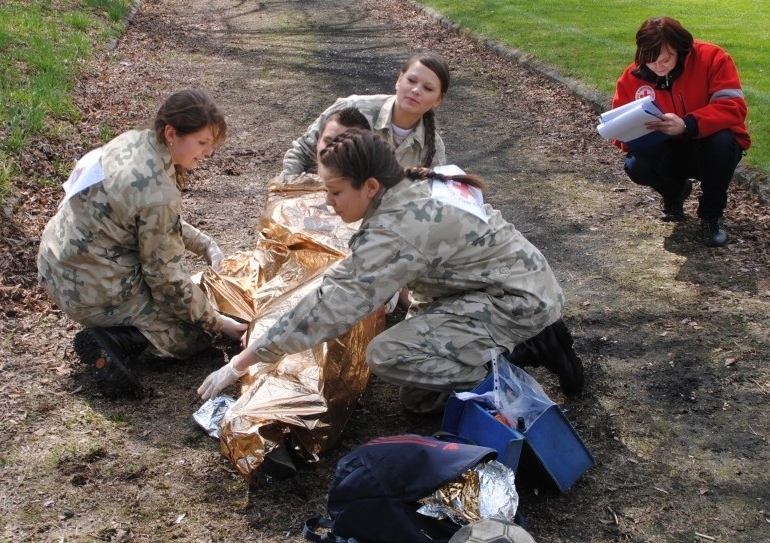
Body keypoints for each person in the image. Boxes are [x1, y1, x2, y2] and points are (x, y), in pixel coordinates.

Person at [199, 130, 582, 413]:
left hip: (516, 299)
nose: (327, 201)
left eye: (334, 192)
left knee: (388, 356)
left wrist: (242, 362)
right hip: (484, 285)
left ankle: (521, 355)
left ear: (369, 186)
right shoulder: (407, 183)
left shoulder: (399, 225)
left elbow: (328, 307)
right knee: (420, 402)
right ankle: (502, 348)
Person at [38, 89, 247, 398]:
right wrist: (216, 323)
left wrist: (204, 244)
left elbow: (147, 222)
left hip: (58, 261)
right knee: (191, 334)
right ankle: (116, 340)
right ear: (172, 133)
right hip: (89, 287)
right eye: (203, 143)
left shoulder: (132, 142)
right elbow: (166, 281)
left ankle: (119, 328)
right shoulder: (157, 193)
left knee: (186, 308)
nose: (207, 154)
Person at [611, 16, 750, 247]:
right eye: (651, 61)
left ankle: (711, 216)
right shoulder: (632, 76)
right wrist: (633, 134)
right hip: (667, 149)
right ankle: (675, 193)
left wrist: (688, 124)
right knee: (636, 165)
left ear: (681, 49)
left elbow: (733, 107)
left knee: (723, 141)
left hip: (708, 146)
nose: (658, 66)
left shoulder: (713, 58)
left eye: (666, 59)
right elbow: (620, 127)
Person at [282, 51, 450, 176]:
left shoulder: (433, 146)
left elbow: (433, 195)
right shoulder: (352, 108)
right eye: (411, 80)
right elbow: (301, 152)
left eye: (428, 88)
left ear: (438, 100)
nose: (415, 90)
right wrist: (289, 194)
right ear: (399, 80)